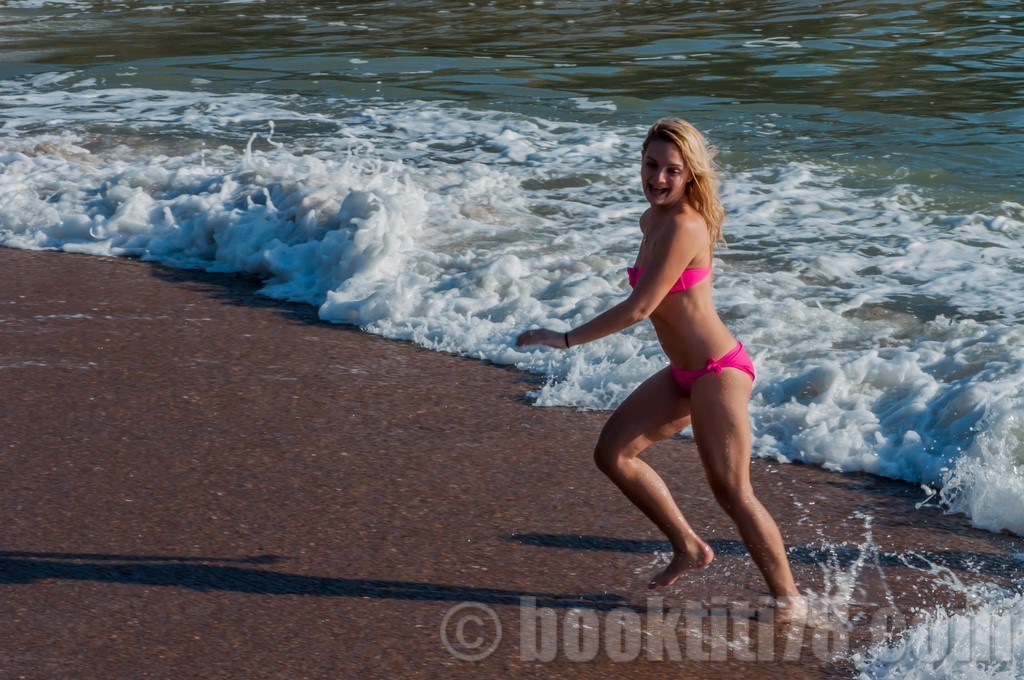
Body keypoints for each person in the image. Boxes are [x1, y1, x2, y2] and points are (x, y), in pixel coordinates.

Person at [515, 118, 806, 622]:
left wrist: (564, 338)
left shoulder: (684, 225)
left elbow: (639, 308)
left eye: (673, 170)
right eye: (652, 165)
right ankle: (687, 546)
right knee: (612, 453)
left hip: (718, 371)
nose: (659, 178)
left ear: (690, 174)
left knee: (731, 491)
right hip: (683, 373)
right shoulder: (652, 220)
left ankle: (789, 600)